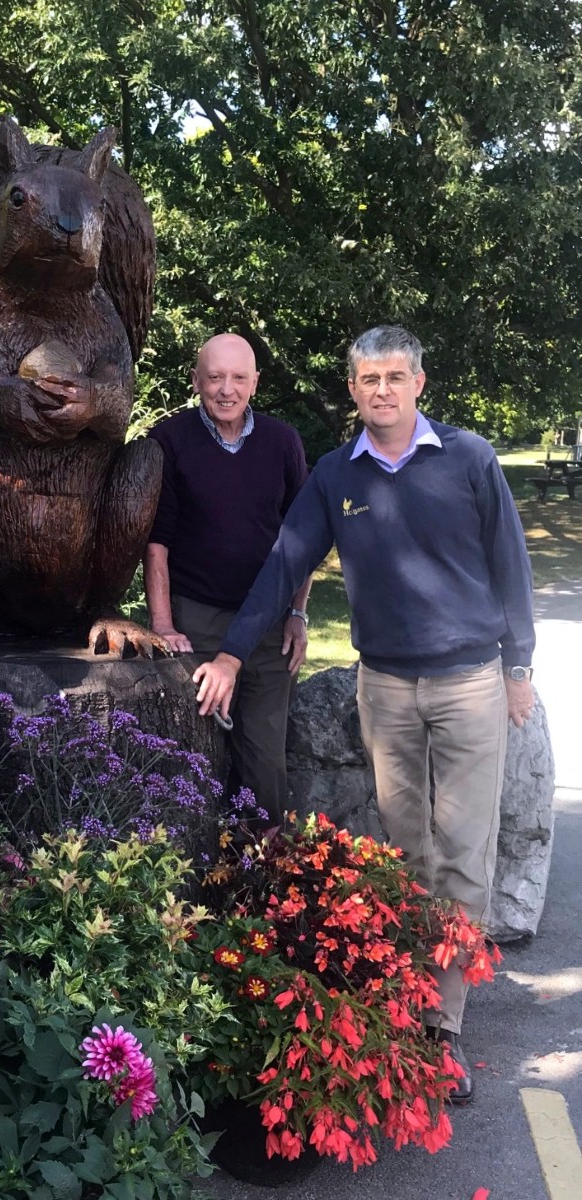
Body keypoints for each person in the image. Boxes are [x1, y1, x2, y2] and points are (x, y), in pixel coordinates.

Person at [193, 325, 536, 1102]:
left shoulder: (470, 460)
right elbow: (283, 565)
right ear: (351, 390)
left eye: (394, 376)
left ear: (419, 383)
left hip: (469, 683)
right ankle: (412, 994)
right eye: (367, 378)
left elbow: (511, 567)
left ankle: (441, 1026)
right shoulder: (333, 476)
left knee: (462, 853)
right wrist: (232, 652)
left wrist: (518, 668)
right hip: (384, 687)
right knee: (407, 853)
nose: (380, 389)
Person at [143, 333, 311, 820]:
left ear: (255, 383)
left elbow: (302, 537)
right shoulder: (169, 440)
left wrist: (298, 612)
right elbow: (157, 542)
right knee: (192, 760)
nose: (226, 389)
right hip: (196, 621)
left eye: (238, 377)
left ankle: (268, 876)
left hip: (267, 625)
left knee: (265, 765)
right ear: (196, 381)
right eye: (214, 377)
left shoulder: (283, 442)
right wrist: (162, 623)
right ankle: (191, 879)